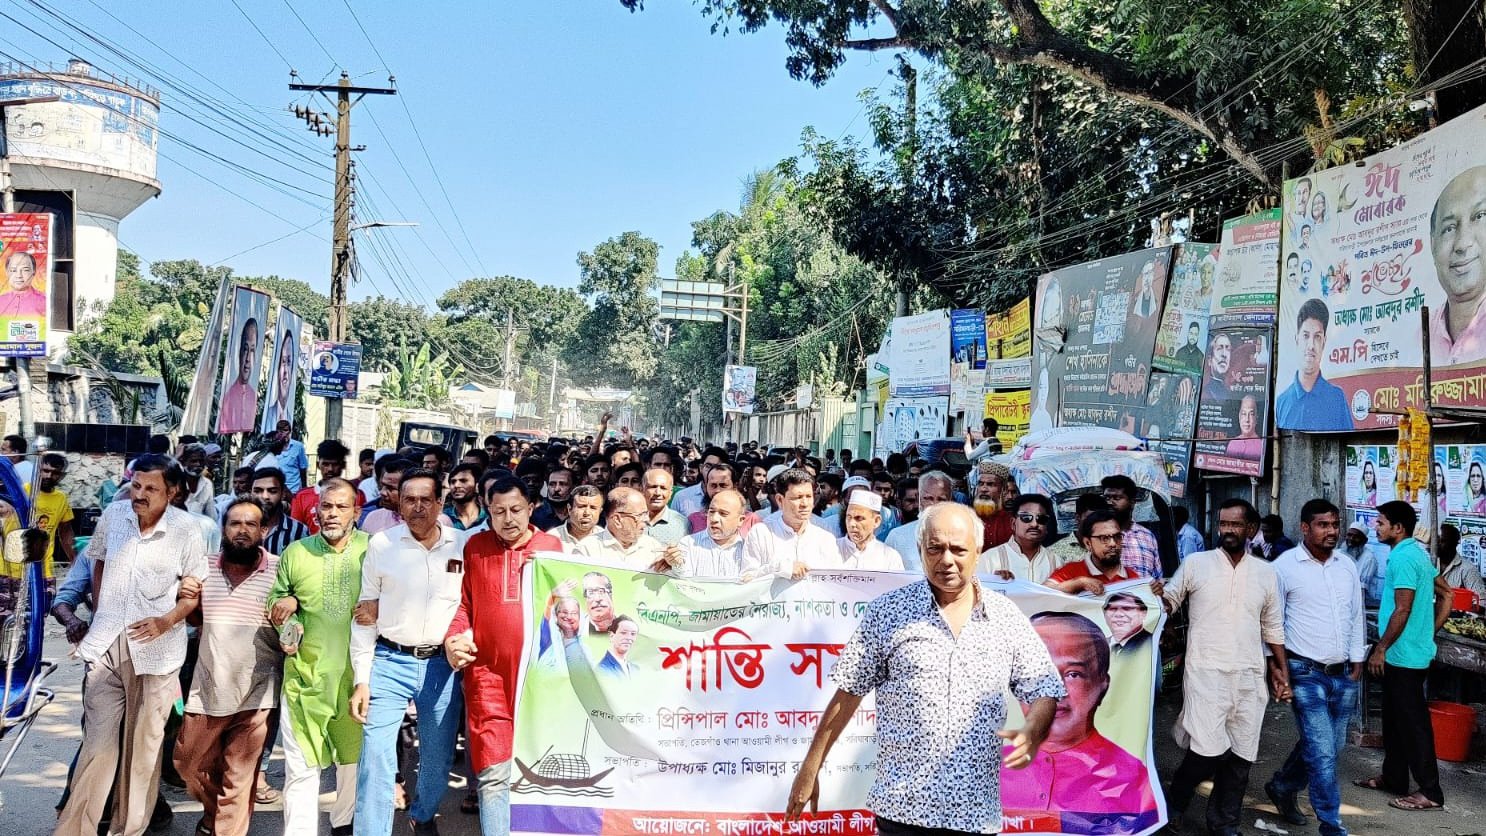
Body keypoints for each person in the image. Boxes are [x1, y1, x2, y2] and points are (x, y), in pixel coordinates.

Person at [786, 503, 1065, 834]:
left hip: (975, 814)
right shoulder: (888, 612)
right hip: (902, 811)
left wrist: (1032, 730)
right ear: (920, 550)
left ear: (978, 551)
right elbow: (848, 692)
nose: (946, 560)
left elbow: (1044, 687)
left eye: (958, 549)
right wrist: (810, 766)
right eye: (935, 548)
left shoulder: (1005, 618)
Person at [54, 455, 208, 836]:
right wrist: (104, 608)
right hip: (107, 645)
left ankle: (129, 830)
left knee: (143, 752)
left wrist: (165, 622)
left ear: (171, 492)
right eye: (137, 485)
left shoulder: (186, 529)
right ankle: (75, 830)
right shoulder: (114, 515)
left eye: (151, 489)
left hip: (158, 652)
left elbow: (192, 593)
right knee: (98, 747)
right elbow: (100, 561)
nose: (140, 495)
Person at [350, 468, 468, 835]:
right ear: (399, 503)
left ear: (440, 502)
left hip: (440, 667)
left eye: (424, 499)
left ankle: (422, 813)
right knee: (376, 758)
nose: (417, 507)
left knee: (437, 757)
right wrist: (361, 679)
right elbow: (365, 615)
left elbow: (475, 603)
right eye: (408, 500)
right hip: (388, 662)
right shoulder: (382, 545)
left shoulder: (463, 545)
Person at [444, 475, 562, 836]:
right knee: (493, 774)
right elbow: (464, 604)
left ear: (531, 508)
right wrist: (453, 639)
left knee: (540, 773)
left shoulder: (552, 549)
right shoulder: (475, 547)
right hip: (487, 677)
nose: (508, 519)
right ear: (488, 511)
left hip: (539, 680)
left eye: (515, 510)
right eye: (498, 512)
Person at [1162, 498, 1288, 836]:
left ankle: (1224, 823)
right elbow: (1170, 600)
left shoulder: (1266, 572)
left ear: (1251, 529)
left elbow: (1273, 626)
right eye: (1223, 524)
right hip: (1205, 672)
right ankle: (1175, 803)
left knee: (1242, 755)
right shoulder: (1196, 563)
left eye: (1235, 525)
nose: (1228, 530)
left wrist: (1281, 672)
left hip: (1249, 674)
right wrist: (1157, 600)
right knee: (1206, 750)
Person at [173, 497, 280, 836]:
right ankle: (212, 814)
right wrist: (184, 594)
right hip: (209, 690)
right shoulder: (202, 569)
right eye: (235, 523)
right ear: (223, 529)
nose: (243, 531)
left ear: (264, 530)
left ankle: (222, 829)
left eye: (251, 524)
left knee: (239, 778)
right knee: (187, 764)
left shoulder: (280, 571)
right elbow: (192, 618)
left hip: (258, 693)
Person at [267, 479, 367, 836]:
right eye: (326, 506)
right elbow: (276, 601)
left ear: (356, 512)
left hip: (357, 680)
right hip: (306, 678)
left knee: (352, 765)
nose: (332, 514)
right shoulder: (297, 552)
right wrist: (288, 623)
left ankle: (343, 826)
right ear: (316, 510)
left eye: (341, 507)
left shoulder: (373, 551)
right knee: (301, 769)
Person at [1265, 499, 1366, 836]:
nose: (1332, 531)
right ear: (1305, 528)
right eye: (1323, 525)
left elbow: (1355, 614)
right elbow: (1272, 622)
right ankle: (1331, 825)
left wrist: (1357, 662)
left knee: (1328, 747)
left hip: (1343, 674)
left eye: (1335, 524)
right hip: (1304, 672)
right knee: (1323, 752)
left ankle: (1283, 785)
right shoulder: (1283, 567)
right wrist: (1277, 669)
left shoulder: (1346, 565)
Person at [1000, 612, 1158, 817]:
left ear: (1103, 685)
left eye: (1073, 674)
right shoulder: (988, 769)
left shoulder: (1129, 778)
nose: (1055, 689)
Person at [1356, 501, 1450, 811]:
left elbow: (1404, 607)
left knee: (1413, 724)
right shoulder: (1414, 553)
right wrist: (1428, 630)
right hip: (1406, 651)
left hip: (1404, 655)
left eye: (1381, 522)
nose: (1376, 527)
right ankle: (1394, 777)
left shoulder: (1406, 558)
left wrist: (1380, 648)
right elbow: (1446, 593)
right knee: (1394, 720)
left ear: (1398, 528)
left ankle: (1431, 791)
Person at [1428, 165, 1486, 365]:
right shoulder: (1416, 334)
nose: (1462, 244)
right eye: (1449, 228)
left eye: (1480, 216)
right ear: (1432, 244)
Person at [741, 468, 839, 579]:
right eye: (797, 498)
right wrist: (781, 568)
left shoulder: (825, 539)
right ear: (780, 500)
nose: (805, 504)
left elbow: (835, 582)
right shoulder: (761, 533)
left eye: (808, 497)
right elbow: (747, 579)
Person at [1276, 299, 1353, 430]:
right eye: (1306, 336)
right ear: (1297, 339)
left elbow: (1348, 446)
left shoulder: (1337, 399)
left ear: (1324, 341)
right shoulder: (1282, 402)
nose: (1311, 346)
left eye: (1317, 337)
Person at [1046, 510, 1146, 595]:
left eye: (1117, 537)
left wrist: (1153, 593)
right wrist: (1077, 583)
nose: (1113, 543)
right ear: (1088, 543)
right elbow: (1041, 594)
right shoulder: (1070, 571)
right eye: (1104, 538)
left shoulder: (1132, 577)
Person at [576, 486, 669, 570]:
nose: (647, 519)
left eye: (646, 513)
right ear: (617, 520)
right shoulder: (587, 549)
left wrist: (675, 565)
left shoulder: (653, 547)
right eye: (640, 515)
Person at [980, 494, 1062, 582]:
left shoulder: (1057, 563)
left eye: (1041, 519)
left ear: (1046, 526)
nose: (1034, 524)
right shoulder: (989, 559)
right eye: (1026, 518)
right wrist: (993, 582)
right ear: (1013, 523)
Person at [884, 471, 953, 568]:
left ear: (950, 501)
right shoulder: (897, 536)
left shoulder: (963, 537)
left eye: (941, 499)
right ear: (919, 500)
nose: (934, 504)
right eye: (928, 498)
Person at [674, 489, 748, 579]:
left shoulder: (748, 551)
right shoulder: (688, 544)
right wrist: (676, 564)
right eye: (712, 512)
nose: (714, 519)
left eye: (723, 514)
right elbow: (683, 583)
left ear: (740, 520)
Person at [1100, 475, 1163, 579]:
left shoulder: (1147, 536)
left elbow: (1157, 579)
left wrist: (1157, 588)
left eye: (1117, 498)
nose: (1109, 502)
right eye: (1106, 498)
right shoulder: (1096, 536)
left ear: (1132, 502)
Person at [835, 488, 906, 571]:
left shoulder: (889, 557)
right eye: (849, 517)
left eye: (859, 518)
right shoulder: (831, 549)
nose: (852, 524)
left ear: (876, 521)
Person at [288, 440, 350, 532]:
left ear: (343, 465)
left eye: (335, 464)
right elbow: (296, 532)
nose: (330, 469)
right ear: (318, 465)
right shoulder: (301, 497)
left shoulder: (355, 495)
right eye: (325, 464)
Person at [686, 463, 762, 537]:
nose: (718, 490)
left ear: (735, 487)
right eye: (713, 485)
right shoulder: (693, 520)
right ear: (706, 487)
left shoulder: (751, 520)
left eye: (723, 485)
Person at [252, 467, 311, 556]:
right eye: (258, 491)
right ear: (250, 492)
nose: (265, 496)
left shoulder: (299, 530)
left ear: (283, 493)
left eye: (272, 491)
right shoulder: (239, 526)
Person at [220, 317, 261, 433]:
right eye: (245, 349)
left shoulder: (253, 396)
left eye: (252, 351)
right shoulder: (228, 396)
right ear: (239, 353)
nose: (248, 359)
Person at [971, 461, 1015, 549]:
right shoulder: (966, 518)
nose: (984, 489)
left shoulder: (1013, 522)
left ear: (1003, 490)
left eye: (990, 484)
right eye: (980, 484)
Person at [641, 466, 690, 545]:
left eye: (663, 488)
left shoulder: (682, 524)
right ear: (642, 490)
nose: (658, 493)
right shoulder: (631, 519)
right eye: (653, 487)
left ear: (670, 493)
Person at [261, 330, 297, 434]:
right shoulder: (267, 416)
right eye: (283, 362)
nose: (285, 371)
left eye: (289, 362)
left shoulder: (290, 418)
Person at [1341, 521, 1385, 607]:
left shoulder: (1369, 558)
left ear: (1365, 541)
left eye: (1356, 537)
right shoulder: (1339, 553)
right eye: (1349, 535)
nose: (1351, 539)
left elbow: (1361, 590)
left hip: (1360, 603)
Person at [548, 484, 603, 552]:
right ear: (569, 509)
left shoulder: (607, 540)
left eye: (593, 508)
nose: (587, 513)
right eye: (581, 506)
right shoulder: (552, 537)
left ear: (600, 511)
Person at [1439, 523, 1486, 599]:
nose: (1438, 544)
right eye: (1436, 541)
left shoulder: (1468, 570)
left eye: (1443, 541)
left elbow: (1481, 602)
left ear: (1454, 544)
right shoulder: (1430, 565)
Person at [0, 249, 47, 316]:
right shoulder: (1, 300)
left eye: (25, 270)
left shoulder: (45, 301)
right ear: (7, 272)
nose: (19, 275)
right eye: (13, 270)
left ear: (33, 272)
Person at [445, 462, 488, 532]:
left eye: (463, 481)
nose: (456, 485)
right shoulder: (443, 518)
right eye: (453, 482)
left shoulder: (488, 518)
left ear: (477, 486)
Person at [530, 466, 574, 531]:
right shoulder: (535, 516)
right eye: (552, 484)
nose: (556, 489)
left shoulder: (580, 512)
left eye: (562, 484)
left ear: (573, 487)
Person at [1225, 395, 1264, 460]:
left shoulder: (1261, 445)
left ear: (1256, 418)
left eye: (1251, 414)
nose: (1247, 419)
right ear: (1239, 417)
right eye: (1244, 414)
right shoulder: (1233, 443)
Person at [1203, 332, 1232, 402]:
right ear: (1210, 360)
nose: (1224, 354)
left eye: (1228, 349)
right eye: (1219, 348)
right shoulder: (1205, 394)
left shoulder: (1232, 393)